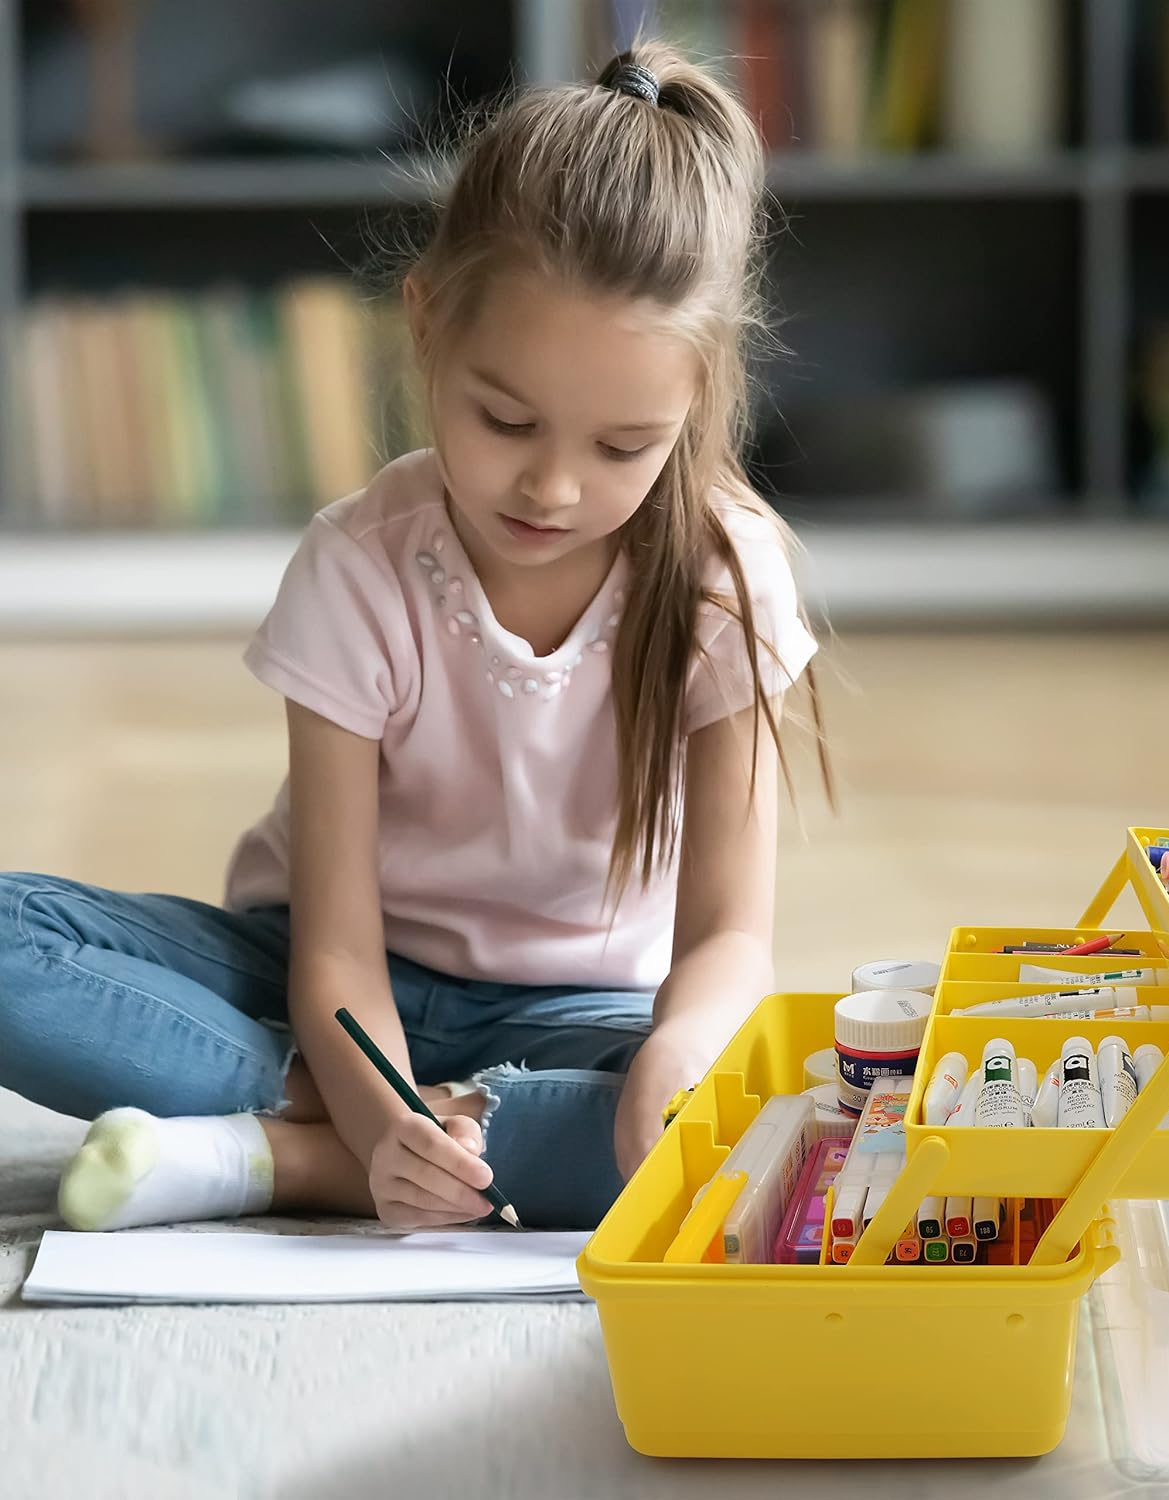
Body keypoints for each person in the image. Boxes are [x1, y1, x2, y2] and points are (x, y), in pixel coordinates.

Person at [0, 43, 828, 1234]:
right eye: (507, 419)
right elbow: (336, 955)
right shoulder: (360, 564)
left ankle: (281, 1164)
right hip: (320, 983)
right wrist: (384, 1109)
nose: (551, 485)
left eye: (621, 448)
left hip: (576, 1005)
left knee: (756, 1115)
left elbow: (729, 937)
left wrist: (680, 1057)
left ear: (694, 407)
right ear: (426, 323)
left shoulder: (723, 575)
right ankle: (377, 1141)